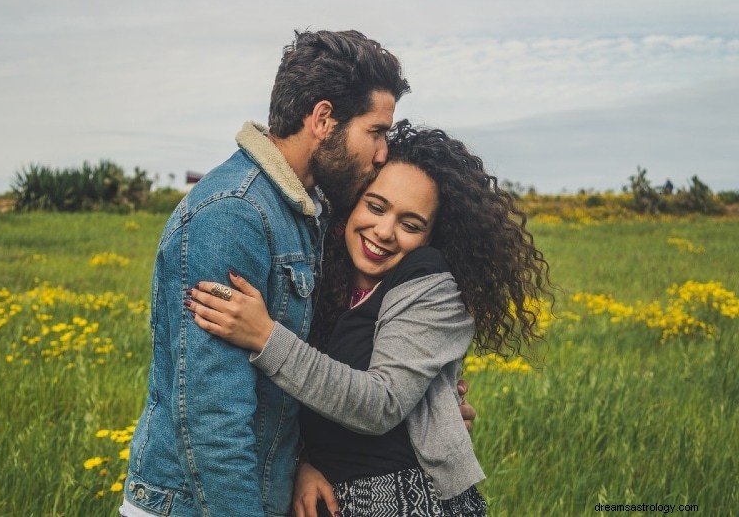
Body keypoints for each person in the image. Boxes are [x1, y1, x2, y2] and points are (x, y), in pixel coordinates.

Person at [121, 31, 473, 517]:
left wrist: (302, 461)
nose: (383, 153)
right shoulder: (233, 215)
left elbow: (297, 381)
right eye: (376, 131)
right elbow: (211, 420)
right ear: (324, 119)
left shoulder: (310, 210)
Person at [186, 121, 553, 516]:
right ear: (351, 204)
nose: (384, 231)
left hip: (410, 501)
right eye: (376, 207)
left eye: (410, 225)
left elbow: (380, 404)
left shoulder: (431, 285)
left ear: (430, 237)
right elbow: (296, 398)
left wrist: (264, 337)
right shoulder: (319, 278)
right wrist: (300, 464)